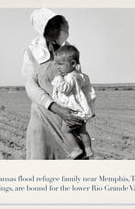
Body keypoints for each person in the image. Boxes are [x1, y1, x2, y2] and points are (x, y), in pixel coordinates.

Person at [22, 8, 89, 159]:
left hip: (68, 121)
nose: (55, 28)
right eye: (50, 25)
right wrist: (56, 108)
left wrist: (81, 110)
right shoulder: (31, 52)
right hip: (43, 118)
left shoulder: (68, 50)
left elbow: (78, 83)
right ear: (42, 28)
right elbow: (31, 87)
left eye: (57, 24)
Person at [51, 45, 96, 159]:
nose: (58, 67)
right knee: (82, 131)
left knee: (65, 130)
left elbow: (65, 89)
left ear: (73, 64)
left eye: (61, 64)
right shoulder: (79, 76)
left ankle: (76, 149)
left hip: (74, 112)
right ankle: (88, 149)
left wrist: (58, 78)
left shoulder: (70, 77)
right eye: (56, 64)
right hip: (81, 112)